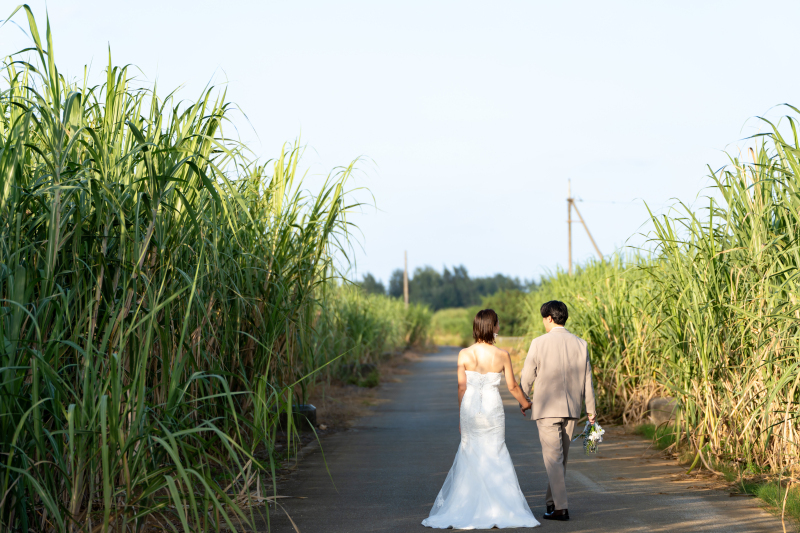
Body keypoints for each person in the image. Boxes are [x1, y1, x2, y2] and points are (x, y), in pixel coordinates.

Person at [422, 309, 540, 529]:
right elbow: (512, 386)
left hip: (470, 408)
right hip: (493, 408)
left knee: (469, 452)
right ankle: (499, 508)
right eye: (497, 324)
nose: (499, 328)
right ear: (492, 327)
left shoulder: (464, 354)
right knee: (496, 451)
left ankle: (466, 507)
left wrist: (461, 415)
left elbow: (461, 387)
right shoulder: (502, 355)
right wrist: (525, 403)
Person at [519, 300, 597, 521]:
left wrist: (523, 399)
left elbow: (527, 375)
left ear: (550, 319)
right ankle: (552, 503)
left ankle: (561, 508)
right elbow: (587, 380)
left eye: (544, 319)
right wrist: (591, 410)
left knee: (553, 459)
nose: (543, 322)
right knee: (559, 460)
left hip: (546, 409)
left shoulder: (538, 343)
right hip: (572, 409)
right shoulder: (581, 344)